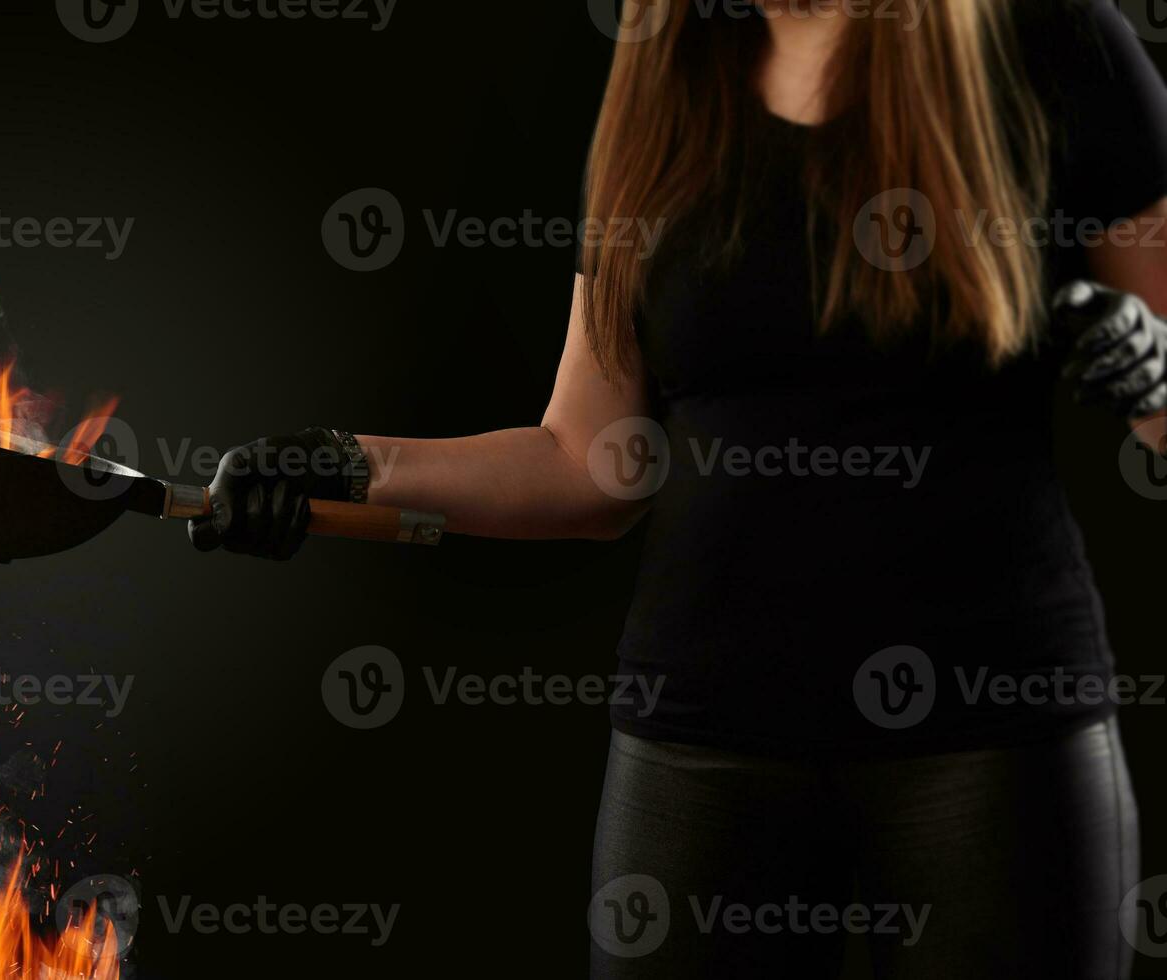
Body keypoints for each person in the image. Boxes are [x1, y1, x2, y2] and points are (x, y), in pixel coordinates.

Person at [187, 1, 1167, 974]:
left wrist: (1158, 372)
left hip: (996, 748)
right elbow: (585, 463)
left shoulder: (1056, 42)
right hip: (702, 755)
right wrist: (335, 465)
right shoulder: (667, 79)